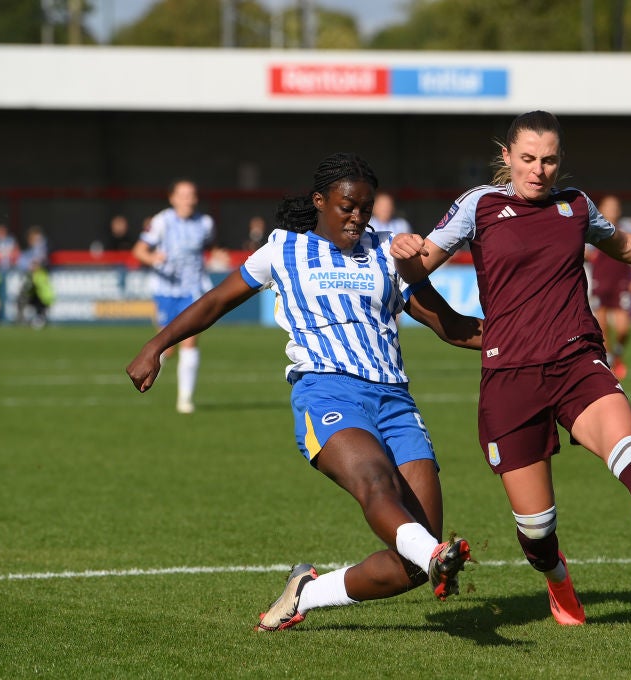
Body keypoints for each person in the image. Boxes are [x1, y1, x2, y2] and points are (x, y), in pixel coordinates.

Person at [391, 110, 631, 624]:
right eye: (529, 159)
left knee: (630, 452)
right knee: (537, 530)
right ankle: (557, 579)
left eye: (550, 159)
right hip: (510, 378)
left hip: (577, 360)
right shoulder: (479, 205)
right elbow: (415, 269)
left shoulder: (576, 205)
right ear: (507, 157)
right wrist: (406, 256)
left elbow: (623, 245)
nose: (539, 170)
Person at [126, 152, 480, 633]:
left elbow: (454, 327)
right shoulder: (282, 250)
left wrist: (529, 338)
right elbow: (216, 301)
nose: (358, 217)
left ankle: (306, 594)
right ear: (320, 201)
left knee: (415, 563)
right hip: (327, 393)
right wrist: (157, 346)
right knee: (376, 486)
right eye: (347, 206)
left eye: (366, 207)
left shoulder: (387, 254)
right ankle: (436, 553)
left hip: (395, 402)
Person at [132, 179, 215, 414]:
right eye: (184, 194)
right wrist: (153, 259)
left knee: (189, 340)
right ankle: (149, 371)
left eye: (192, 194)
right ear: (173, 198)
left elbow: (208, 249)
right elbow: (139, 250)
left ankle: (185, 399)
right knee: (166, 346)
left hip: (194, 290)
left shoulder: (206, 223)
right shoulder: (161, 222)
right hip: (166, 291)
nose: (189, 199)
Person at [586, 195, 631, 379]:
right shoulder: (593, 226)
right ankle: (608, 359)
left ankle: (617, 354)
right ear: (601, 208)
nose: (613, 210)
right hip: (600, 282)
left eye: (615, 206)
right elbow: (585, 251)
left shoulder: (627, 229)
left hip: (620, 283)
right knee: (601, 326)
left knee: (623, 328)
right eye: (609, 206)